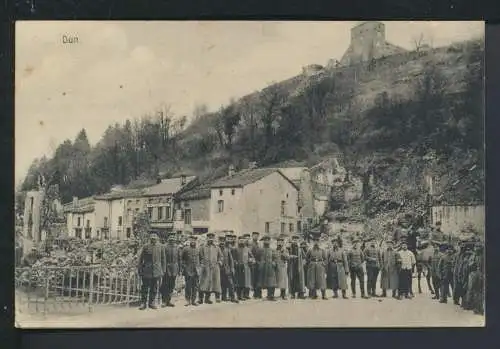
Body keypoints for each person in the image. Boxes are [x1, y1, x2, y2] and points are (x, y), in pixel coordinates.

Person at [137, 233, 166, 310]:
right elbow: (140, 259)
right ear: (150, 239)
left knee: (154, 287)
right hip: (147, 270)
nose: (153, 240)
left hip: (156, 270)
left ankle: (151, 302)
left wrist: (163, 270)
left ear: (157, 239)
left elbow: (163, 259)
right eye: (152, 238)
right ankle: (143, 303)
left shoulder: (161, 247)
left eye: (155, 238)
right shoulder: (146, 246)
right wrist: (140, 269)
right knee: (145, 287)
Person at [198, 232, 223, 305]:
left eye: (212, 238)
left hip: (214, 268)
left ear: (214, 239)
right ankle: (200, 299)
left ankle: (207, 299)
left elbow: (221, 256)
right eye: (209, 238)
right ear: (207, 238)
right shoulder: (202, 247)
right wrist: (201, 264)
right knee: (203, 283)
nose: (210, 239)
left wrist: (219, 262)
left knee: (211, 283)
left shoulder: (217, 247)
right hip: (205, 268)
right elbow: (199, 256)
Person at [160, 233, 180, 308]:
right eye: (170, 237)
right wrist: (163, 268)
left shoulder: (177, 247)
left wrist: (179, 269)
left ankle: (169, 300)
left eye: (173, 237)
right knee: (165, 285)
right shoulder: (164, 247)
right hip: (166, 269)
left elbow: (179, 259)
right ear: (168, 238)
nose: (172, 238)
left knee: (172, 285)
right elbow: (162, 259)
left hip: (174, 269)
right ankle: (164, 301)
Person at [255, 235, 278, 301]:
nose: (266, 241)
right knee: (260, 281)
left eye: (268, 240)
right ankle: (258, 295)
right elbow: (256, 258)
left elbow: (275, 258)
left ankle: (271, 295)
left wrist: (274, 262)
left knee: (271, 281)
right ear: (263, 241)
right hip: (262, 268)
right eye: (265, 240)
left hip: (270, 268)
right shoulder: (260, 250)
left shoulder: (272, 250)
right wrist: (259, 263)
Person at [306, 235, 328, 300]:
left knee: (322, 280)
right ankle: (314, 294)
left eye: (317, 241)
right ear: (313, 242)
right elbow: (307, 258)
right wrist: (310, 263)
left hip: (320, 266)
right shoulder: (310, 250)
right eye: (315, 241)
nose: (316, 242)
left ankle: (324, 295)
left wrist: (323, 264)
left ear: (319, 242)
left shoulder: (322, 250)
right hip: (312, 266)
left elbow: (325, 258)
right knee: (312, 280)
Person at [464, 242, 484, 315]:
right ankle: (474, 307)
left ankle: (479, 308)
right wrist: (471, 264)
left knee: (479, 293)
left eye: (479, 247)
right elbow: (468, 265)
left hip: (481, 275)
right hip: (473, 275)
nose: (477, 248)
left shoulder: (483, 256)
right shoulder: (473, 256)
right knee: (473, 291)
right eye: (476, 247)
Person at [233, 236, 254, 301]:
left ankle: (246, 295)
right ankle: (239, 296)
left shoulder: (247, 249)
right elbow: (233, 258)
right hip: (238, 268)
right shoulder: (235, 249)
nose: (241, 242)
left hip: (246, 267)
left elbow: (252, 257)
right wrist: (235, 262)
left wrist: (250, 260)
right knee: (239, 282)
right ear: (238, 241)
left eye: (242, 240)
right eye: (240, 240)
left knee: (246, 282)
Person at [181, 235, 200, 307]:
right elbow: (182, 259)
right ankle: (187, 300)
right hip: (188, 271)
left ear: (196, 241)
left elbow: (201, 259)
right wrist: (185, 267)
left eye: (194, 240)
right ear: (189, 241)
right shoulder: (185, 249)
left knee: (195, 286)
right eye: (192, 240)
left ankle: (193, 300)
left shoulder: (198, 249)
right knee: (188, 286)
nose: (193, 241)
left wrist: (199, 267)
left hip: (196, 271)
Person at [219, 234, 238, 303]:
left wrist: (232, 268)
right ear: (218, 241)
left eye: (223, 241)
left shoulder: (227, 250)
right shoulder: (217, 249)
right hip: (219, 270)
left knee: (230, 284)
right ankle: (223, 297)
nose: (222, 242)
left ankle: (232, 297)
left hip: (227, 270)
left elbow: (231, 260)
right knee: (222, 284)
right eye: (220, 241)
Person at [456, 241, 474, 309]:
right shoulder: (462, 256)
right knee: (463, 289)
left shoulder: (471, 257)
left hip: (468, 275)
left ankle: (467, 304)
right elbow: (460, 266)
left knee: (468, 289)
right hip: (463, 275)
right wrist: (459, 275)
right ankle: (464, 303)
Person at [287, 235, 306, 299]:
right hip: (292, 266)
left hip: (299, 266)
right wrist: (291, 256)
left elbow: (304, 257)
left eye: (296, 240)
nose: (295, 241)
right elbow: (286, 256)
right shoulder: (289, 248)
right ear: (292, 240)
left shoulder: (300, 249)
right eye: (294, 240)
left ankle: (300, 294)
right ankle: (292, 294)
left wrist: (303, 262)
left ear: (298, 241)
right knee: (292, 279)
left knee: (300, 280)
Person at [250, 232, 262, 299]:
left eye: (257, 236)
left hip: (259, 263)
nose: (256, 237)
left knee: (259, 279)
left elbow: (260, 253)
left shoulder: (259, 244)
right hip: (254, 263)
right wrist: (253, 260)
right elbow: (250, 253)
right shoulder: (251, 244)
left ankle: (259, 293)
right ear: (252, 236)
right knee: (254, 279)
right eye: (254, 236)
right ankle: (255, 294)